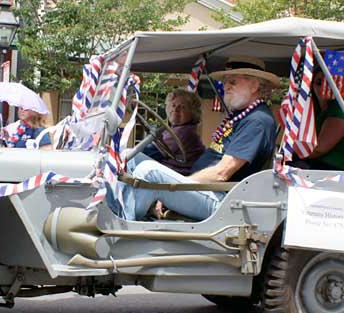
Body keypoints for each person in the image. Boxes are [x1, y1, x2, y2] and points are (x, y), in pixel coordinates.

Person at [112, 60, 279, 221]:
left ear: (255, 86)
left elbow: (221, 173)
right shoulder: (241, 116)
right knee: (129, 156)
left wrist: (176, 187)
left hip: (222, 200)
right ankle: (116, 209)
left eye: (233, 82)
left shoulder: (257, 121)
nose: (226, 86)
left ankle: (121, 225)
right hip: (205, 189)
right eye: (226, 81)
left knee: (148, 171)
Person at [293, 70, 344, 171]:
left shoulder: (341, 110)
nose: (323, 87)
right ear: (312, 86)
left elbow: (318, 150)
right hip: (314, 168)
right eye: (319, 82)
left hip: (330, 172)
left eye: (329, 82)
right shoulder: (323, 111)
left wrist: (290, 150)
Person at [143, 89, 205, 175]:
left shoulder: (184, 132)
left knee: (130, 160)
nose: (175, 109)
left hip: (176, 175)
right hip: (169, 171)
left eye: (182, 107)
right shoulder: (175, 128)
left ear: (193, 113)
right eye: (173, 105)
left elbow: (152, 152)